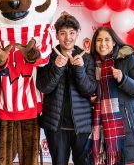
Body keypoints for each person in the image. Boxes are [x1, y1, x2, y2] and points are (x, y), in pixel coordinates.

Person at [36, 12, 97, 165]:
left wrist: (80, 69)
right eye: (62, 33)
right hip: (55, 125)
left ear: (77, 34)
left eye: (71, 33)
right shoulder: (48, 56)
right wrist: (56, 67)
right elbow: (43, 87)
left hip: (81, 124)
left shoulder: (87, 58)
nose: (67, 37)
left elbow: (89, 90)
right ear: (56, 35)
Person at [90, 26, 134, 165]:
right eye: (99, 40)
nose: (103, 43)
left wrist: (124, 79)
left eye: (107, 39)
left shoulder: (127, 60)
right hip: (98, 126)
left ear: (114, 42)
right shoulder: (91, 63)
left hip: (123, 125)